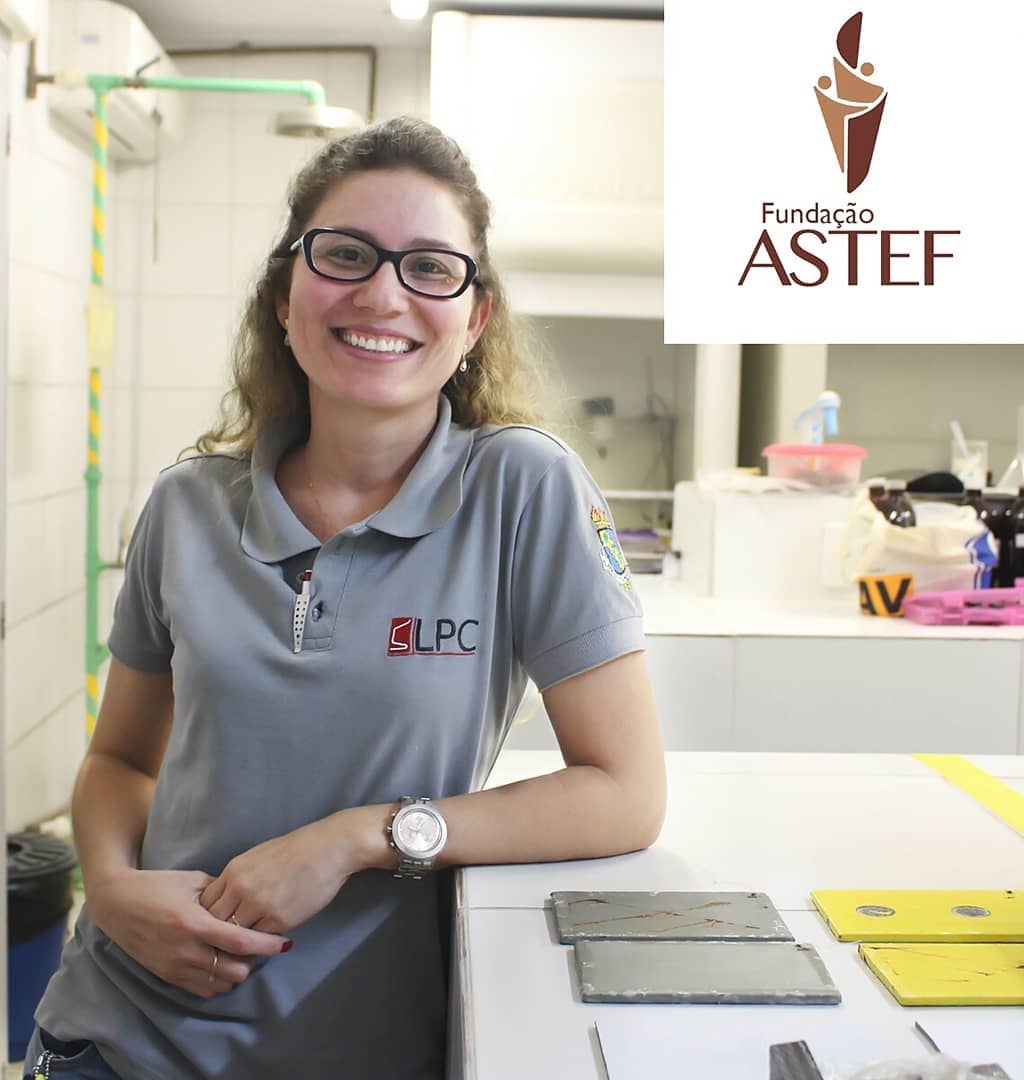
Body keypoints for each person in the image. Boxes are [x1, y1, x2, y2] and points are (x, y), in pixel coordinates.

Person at [28, 115, 666, 1079]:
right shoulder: (188, 506)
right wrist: (112, 890)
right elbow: (119, 759)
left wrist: (362, 838)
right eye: (345, 254)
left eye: (431, 267)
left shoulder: (522, 491)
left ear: (474, 319)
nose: (383, 293)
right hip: (122, 1033)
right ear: (285, 297)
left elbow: (625, 792)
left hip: (362, 1047)